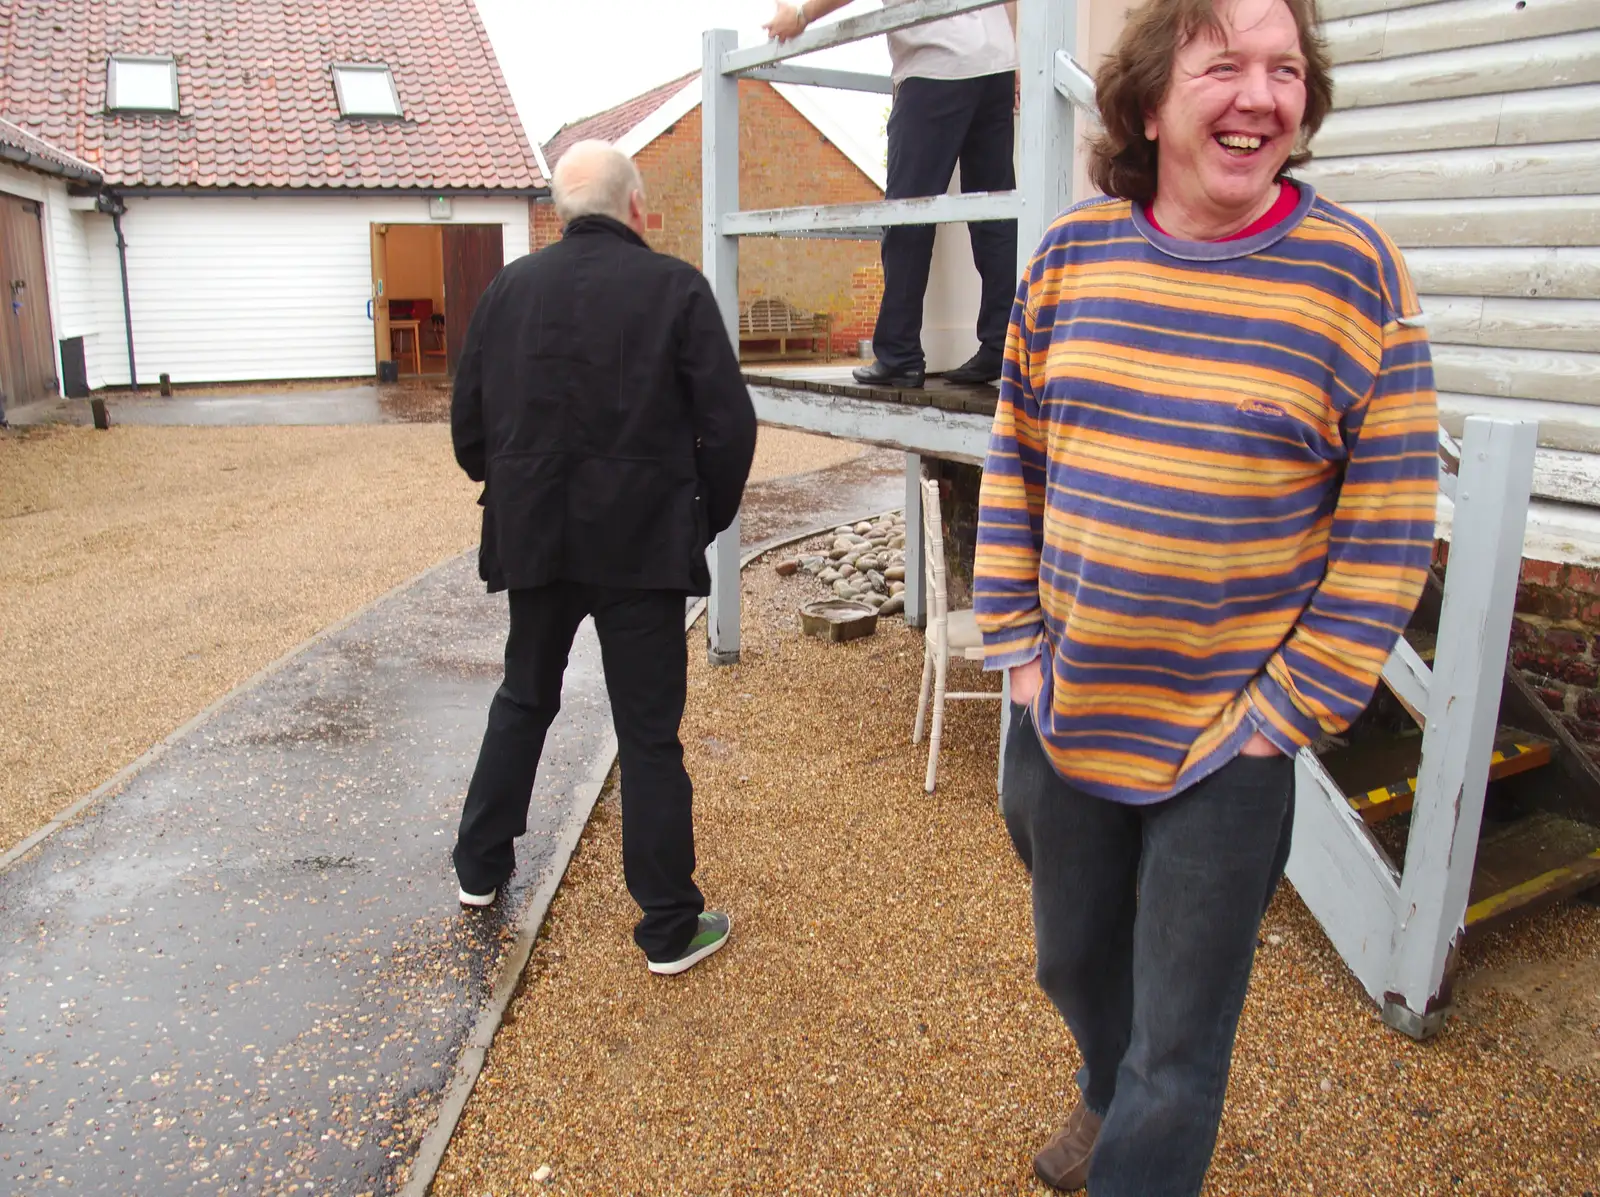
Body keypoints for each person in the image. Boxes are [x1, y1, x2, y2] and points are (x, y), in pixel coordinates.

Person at [974, 0, 1438, 1191]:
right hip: (1063, 704)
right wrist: (1019, 648)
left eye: (1285, 69)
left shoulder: (1354, 273)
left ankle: (1135, 1129)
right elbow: (1014, 453)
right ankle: (1099, 1086)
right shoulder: (1072, 256)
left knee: (1182, 1050)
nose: (1262, 96)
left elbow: (1385, 531)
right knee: (1073, 963)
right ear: (1145, 105)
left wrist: (1282, 715)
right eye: (1224, 64)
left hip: (1227, 743)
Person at [450, 140, 758, 977]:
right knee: (649, 734)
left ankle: (480, 867)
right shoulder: (675, 289)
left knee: (524, 698)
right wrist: (697, 517)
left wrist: (514, 485)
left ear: (559, 211)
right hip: (642, 546)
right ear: (636, 208)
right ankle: (667, 926)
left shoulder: (507, 291)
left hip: (537, 539)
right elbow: (730, 428)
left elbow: (468, 430)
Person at [765, 0, 1018, 388]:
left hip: (937, 61)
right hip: (996, 61)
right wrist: (1014, 54)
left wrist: (800, 17)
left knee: (907, 214)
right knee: (994, 211)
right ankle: (1003, 344)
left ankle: (899, 354)